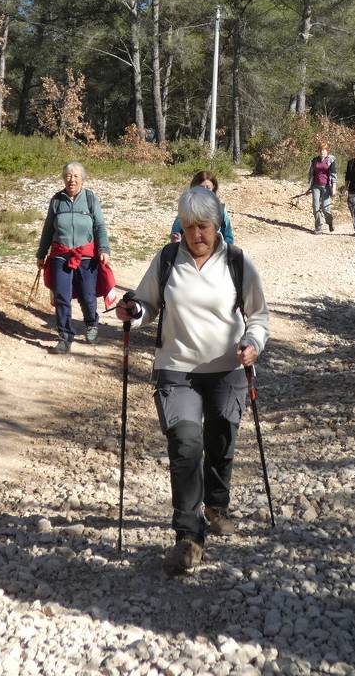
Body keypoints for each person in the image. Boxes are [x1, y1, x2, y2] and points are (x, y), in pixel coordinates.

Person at [116, 186, 269, 576]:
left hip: (228, 370)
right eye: (188, 227)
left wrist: (253, 342)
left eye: (203, 226)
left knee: (221, 440)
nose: (196, 235)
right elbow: (147, 304)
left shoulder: (237, 261)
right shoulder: (167, 259)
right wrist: (133, 312)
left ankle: (216, 504)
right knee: (186, 445)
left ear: (217, 226)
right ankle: (189, 537)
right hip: (177, 370)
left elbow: (258, 316)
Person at [36, 161, 112, 354]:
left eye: (76, 176)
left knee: (87, 295)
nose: (72, 180)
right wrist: (41, 254)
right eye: (68, 176)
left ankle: (91, 323)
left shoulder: (90, 199)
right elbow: (48, 229)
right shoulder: (56, 200)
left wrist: (103, 248)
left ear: (82, 179)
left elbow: (100, 227)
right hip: (60, 253)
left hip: (85, 255)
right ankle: (64, 336)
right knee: (62, 295)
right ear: (64, 178)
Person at [170, 170, 235, 245]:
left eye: (208, 188)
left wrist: (225, 253)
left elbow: (228, 237)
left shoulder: (220, 209)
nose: (204, 191)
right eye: (201, 187)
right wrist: (176, 241)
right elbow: (175, 232)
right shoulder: (188, 207)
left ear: (213, 188)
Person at [308, 142, 336, 234]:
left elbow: (333, 175)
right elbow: (311, 174)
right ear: (318, 151)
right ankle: (318, 227)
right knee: (316, 206)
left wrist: (334, 188)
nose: (322, 152)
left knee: (325, 208)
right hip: (316, 186)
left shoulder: (330, 160)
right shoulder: (315, 160)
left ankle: (330, 222)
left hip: (326, 187)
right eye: (321, 150)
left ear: (327, 151)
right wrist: (309, 187)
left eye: (324, 150)